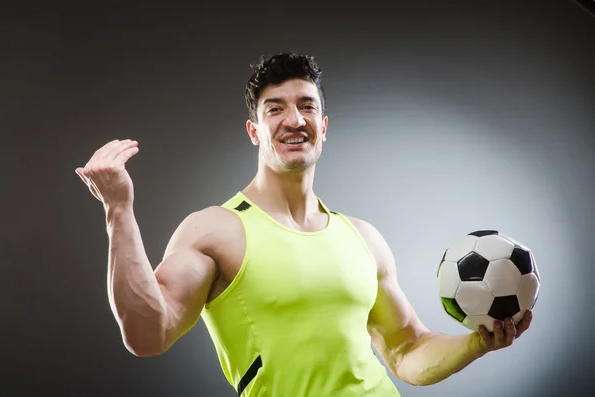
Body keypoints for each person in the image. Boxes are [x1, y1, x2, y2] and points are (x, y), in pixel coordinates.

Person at [75, 52, 533, 397]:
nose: (294, 120)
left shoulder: (362, 237)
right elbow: (148, 334)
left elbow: (407, 352)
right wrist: (119, 210)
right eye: (274, 109)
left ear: (324, 124)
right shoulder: (214, 230)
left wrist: (477, 345)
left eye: (307, 106)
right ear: (254, 131)